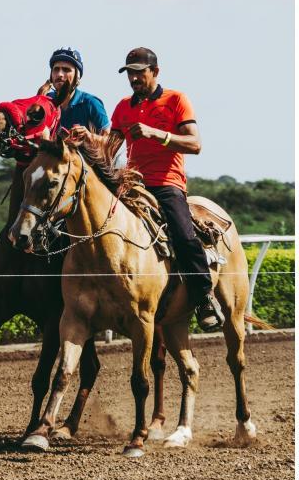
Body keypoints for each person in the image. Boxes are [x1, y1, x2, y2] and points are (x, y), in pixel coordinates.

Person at [110, 47, 224, 331]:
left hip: (166, 185)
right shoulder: (123, 106)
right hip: (132, 186)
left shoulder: (176, 99)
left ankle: (204, 298)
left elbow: (195, 144)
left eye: (140, 72)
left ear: (155, 72)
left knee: (184, 237)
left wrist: (155, 134)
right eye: (130, 73)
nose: (134, 78)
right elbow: (108, 147)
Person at [48, 47, 110, 137]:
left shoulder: (91, 103)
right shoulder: (46, 101)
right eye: (56, 69)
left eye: (66, 70)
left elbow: (110, 142)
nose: (59, 74)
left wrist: (89, 136)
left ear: (77, 77)